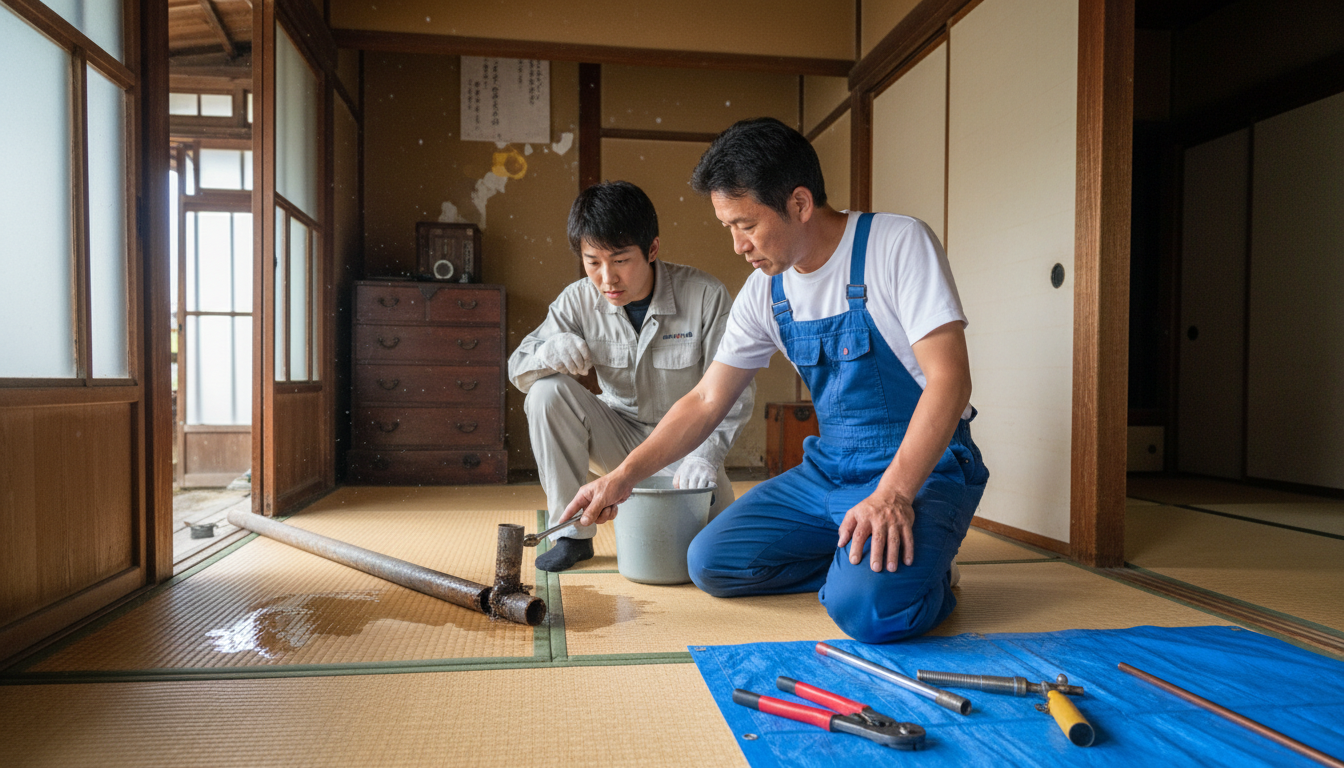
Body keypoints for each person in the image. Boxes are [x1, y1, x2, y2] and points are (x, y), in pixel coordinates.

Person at [557, 118, 989, 643]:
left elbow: (950, 382)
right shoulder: (766, 289)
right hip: (833, 470)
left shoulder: (896, 244)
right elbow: (706, 399)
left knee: (868, 613)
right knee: (713, 563)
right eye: (728, 228)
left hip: (920, 470)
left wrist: (893, 493)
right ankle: (865, 562)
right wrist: (620, 477)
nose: (738, 245)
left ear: (800, 204)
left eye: (746, 225)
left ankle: (922, 575)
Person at [508, 180, 754, 572]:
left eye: (620, 260)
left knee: (714, 559)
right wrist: (546, 354)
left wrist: (707, 456)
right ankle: (571, 535)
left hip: (686, 448)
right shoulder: (577, 300)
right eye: (593, 262)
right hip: (617, 436)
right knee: (545, 393)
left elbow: (734, 393)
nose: (607, 278)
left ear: (652, 249)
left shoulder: (705, 295)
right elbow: (517, 368)